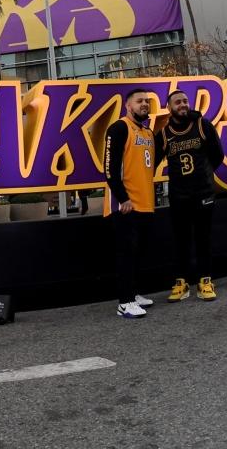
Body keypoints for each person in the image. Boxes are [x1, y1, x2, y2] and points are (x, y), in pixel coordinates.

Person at [155, 89, 224, 303]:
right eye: (178, 102)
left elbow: (218, 155)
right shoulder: (164, 134)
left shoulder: (203, 125)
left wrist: (203, 175)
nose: (183, 105)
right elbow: (153, 162)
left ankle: (205, 280)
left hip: (203, 192)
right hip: (179, 196)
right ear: (169, 107)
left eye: (185, 101)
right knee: (181, 240)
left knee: (203, 238)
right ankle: (182, 282)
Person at [103, 89, 158, 319]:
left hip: (145, 203)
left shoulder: (148, 131)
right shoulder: (118, 128)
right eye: (139, 101)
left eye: (146, 101)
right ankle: (124, 303)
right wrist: (122, 197)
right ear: (128, 106)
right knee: (125, 253)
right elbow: (109, 168)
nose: (144, 104)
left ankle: (134, 294)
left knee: (138, 253)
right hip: (125, 204)